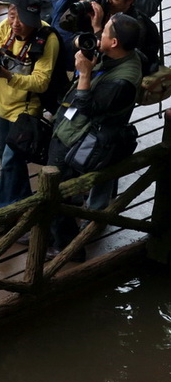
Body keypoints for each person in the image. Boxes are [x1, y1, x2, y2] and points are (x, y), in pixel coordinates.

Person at [47, 13, 142, 259]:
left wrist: (85, 75)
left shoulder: (122, 81)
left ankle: (66, 249)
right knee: (59, 193)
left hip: (80, 139)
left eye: (106, 32)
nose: (101, 35)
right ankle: (52, 234)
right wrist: (94, 31)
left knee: (59, 193)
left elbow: (89, 109)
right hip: (70, 129)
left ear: (114, 43)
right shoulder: (118, 55)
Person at [0, 0, 58, 219]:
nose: (15, 24)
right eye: (12, 16)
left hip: (25, 113)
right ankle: (25, 208)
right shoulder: (5, 26)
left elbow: (41, 83)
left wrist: (9, 76)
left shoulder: (46, 39)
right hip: (2, 106)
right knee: (11, 160)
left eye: (22, 20)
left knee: (9, 163)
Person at [59, 0, 161, 74]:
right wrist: (81, 10)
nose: (108, 1)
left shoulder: (134, 27)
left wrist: (97, 29)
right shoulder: (102, 11)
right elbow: (64, 25)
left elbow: (115, 60)